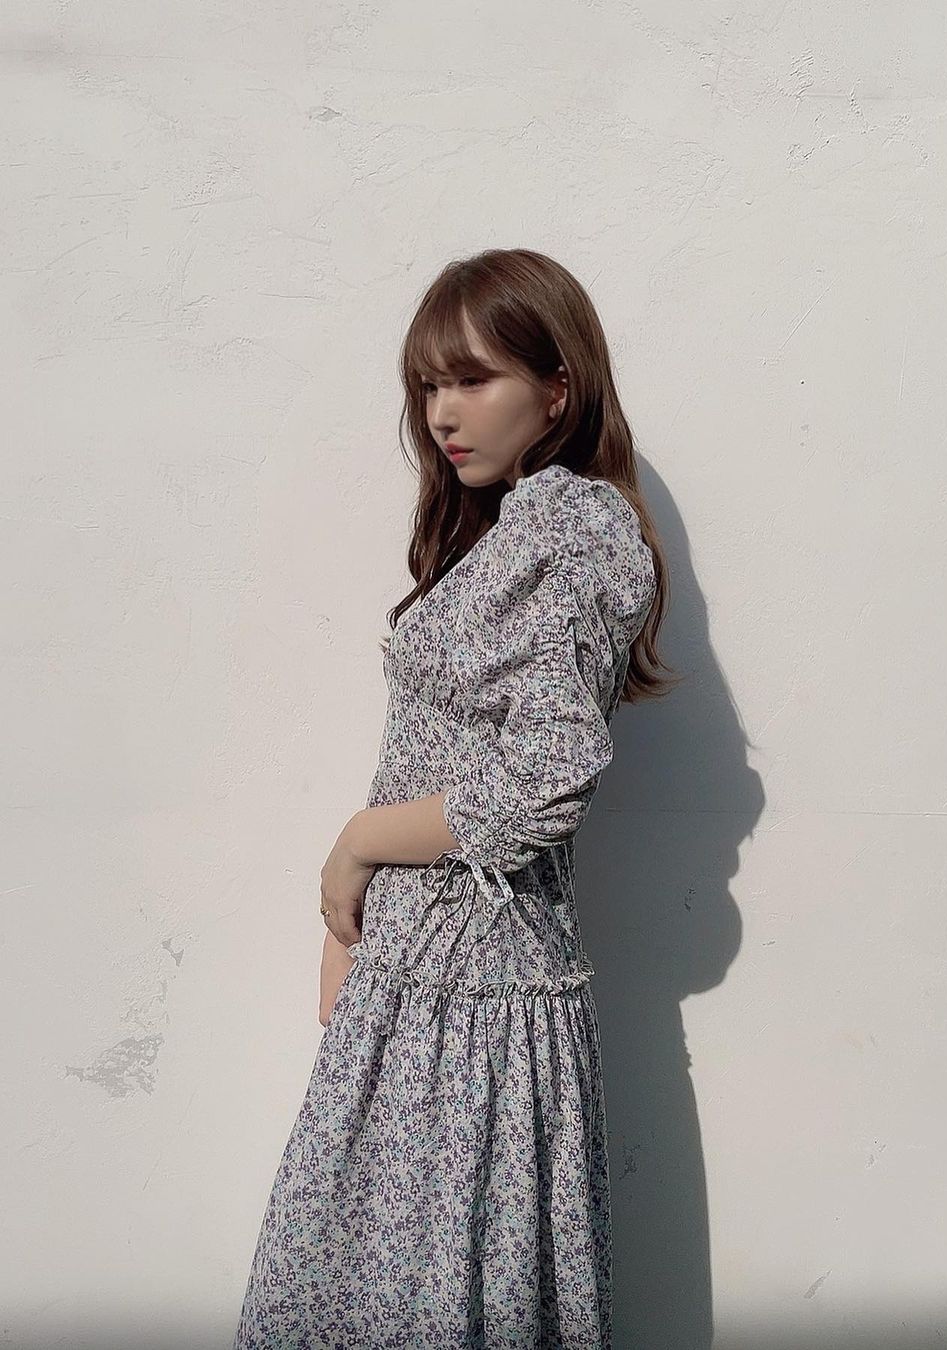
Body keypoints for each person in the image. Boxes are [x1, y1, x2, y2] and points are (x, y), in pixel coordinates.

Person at [232, 247, 678, 1349]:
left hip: (472, 996)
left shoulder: (568, 523)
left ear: (558, 389)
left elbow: (549, 770)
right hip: (421, 980)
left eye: (473, 380)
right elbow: (437, 751)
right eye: (430, 384)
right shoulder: (507, 528)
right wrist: (351, 924)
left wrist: (358, 845)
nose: (441, 413)